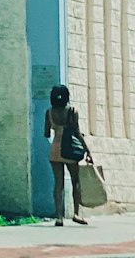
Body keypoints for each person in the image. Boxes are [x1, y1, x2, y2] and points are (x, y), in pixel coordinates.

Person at [45, 83, 92, 226]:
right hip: (69, 150)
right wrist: (87, 150)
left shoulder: (49, 112)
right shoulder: (71, 111)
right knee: (75, 181)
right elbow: (77, 133)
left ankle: (58, 216)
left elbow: (46, 133)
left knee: (58, 183)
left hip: (55, 150)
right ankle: (76, 214)